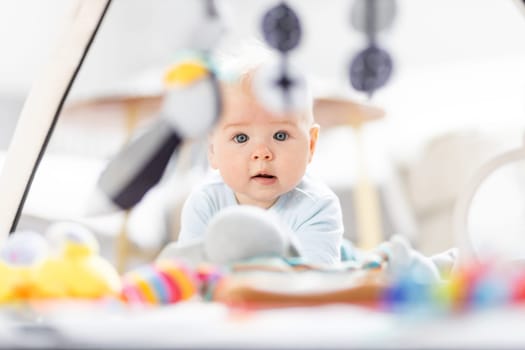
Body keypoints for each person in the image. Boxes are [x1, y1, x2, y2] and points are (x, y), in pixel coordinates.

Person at [173, 51, 345, 266]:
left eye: (280, 135)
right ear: (212, 150)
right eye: (241, 137)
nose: (262, 153)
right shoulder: (205, 202)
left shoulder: (317, 206)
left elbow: (316, 280)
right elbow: (189, 274)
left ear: (310, 145)